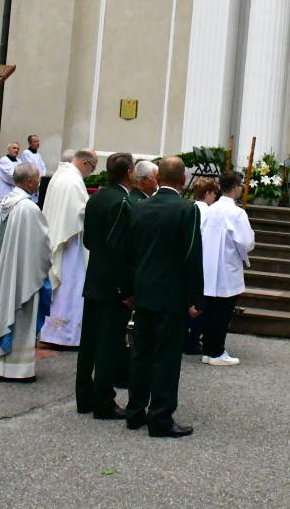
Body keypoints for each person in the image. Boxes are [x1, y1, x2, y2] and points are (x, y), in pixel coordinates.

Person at [124, 156, 204, 438]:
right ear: (183, 179)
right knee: (167, 357)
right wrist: (197, 297)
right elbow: (192, 254)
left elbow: (130, 253)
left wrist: (129, 290)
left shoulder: (140, 207)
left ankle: (135, 412)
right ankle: (160, 417)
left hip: (144, 291)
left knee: (140, 353)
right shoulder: (187, 209)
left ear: (158, 178)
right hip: (171, 294)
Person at [0, 162, 52, 380]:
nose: (39, 183)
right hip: (21, 275)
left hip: (5, 271)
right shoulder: (28, 208)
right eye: (38, 179)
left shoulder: (8, 202)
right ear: (29, 181)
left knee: (1, 310)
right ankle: (17, 369)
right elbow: (40, 246)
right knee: (19, 316)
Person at [76, 152, 136, 419]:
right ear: (130, 173)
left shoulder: (97, 196)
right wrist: (127, 289)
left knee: (89, 342)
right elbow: (120, 249)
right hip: (112, 284)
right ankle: (103, 400)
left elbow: (89, 240)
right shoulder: (122, 202)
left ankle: (84, 395)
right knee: (108, 344)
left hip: (94, 277)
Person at [39, 148, 98, 347]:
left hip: (59, 238)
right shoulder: (73, 181)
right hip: (70, 243)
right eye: (92, 168)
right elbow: (80, 213)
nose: (91, 173)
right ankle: (65, 336)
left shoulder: (59, 175)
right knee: (70, 287)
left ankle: (52, 332)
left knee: (63, 289)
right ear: (85, 162)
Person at [199, 170, 255, 366]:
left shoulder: (210, 210)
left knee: (209, 310)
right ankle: (217, 351)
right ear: (236, 188)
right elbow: (246, 242)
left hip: (208, 265)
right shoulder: (237, 213)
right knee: (223, 312)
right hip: (226, 267)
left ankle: (208, 350)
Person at [186, 177, 220, 354]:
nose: (215, 197)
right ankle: (192, 341)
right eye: (213, 193)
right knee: (200, 303)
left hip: (186, 261)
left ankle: (185, 337)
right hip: (203, 261)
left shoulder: (188, 209)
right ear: (207, 193)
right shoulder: (209, 213)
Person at [0, 140, 22, 218]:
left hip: (14, 191)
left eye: (18, 149)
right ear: (9, 149)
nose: (16, 150)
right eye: (14, 148)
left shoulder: (19, 161)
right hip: (4, 191)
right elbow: (10, 175)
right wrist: (21, 181)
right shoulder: (4, 160)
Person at [21, 134, 47, 203]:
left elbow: (43, 167)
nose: (38, 143)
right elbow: (30, 168)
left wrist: (41, 178)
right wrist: (36, 181)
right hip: (32, 183)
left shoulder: (38, 155)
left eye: (38, 141)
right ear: (30, 143)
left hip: (39, 182)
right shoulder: (26, 153)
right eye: (35, 141)